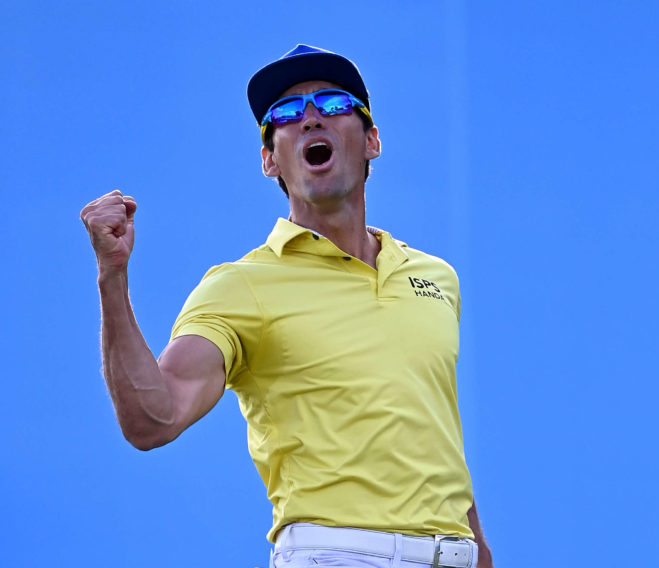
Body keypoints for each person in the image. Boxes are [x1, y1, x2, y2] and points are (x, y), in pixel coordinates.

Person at [80, 44, 494, 568]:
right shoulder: (241, 285)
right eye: (286, 114)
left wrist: (478, 550)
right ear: (270, 159)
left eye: (333, 103)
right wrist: (112, 277)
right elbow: (153, 419)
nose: (310, 118)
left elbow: (432, 432)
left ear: (371, 141)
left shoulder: (434, 278)